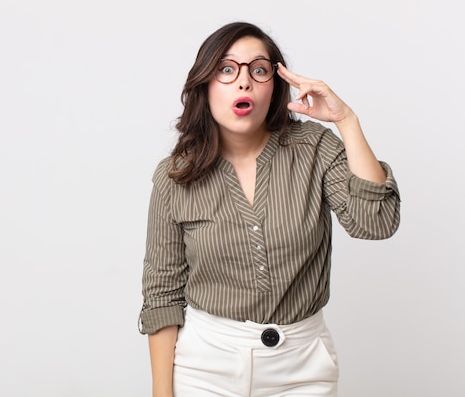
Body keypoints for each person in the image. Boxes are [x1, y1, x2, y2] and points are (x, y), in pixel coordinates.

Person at [138, 21, 401, 397]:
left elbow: (376, 222)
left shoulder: (314, 149)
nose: (243, 82)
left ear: (274, 86)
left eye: (258, 70)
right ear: (205, 85)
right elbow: (162, 295)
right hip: (205, 366)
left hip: (302, 367)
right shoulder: (174, 177)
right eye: (227, 70)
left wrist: (347, 121)